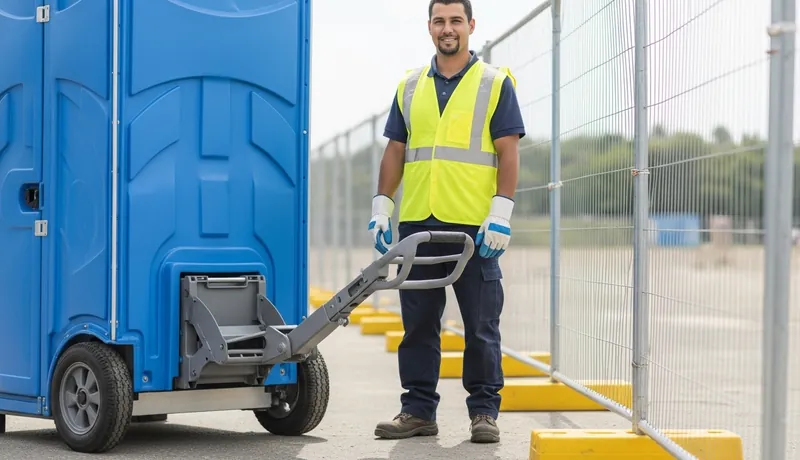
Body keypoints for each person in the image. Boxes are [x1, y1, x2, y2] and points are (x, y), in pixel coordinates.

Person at [368, 0, 526, 444]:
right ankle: (417, 411)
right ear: (430, 28)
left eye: (456, 20)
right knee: (418, 323)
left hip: (475, 228)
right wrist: (382, 204)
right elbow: (395, 149)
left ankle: (483, 413)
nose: (448, 28)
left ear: (470, 26)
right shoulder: (410, 86)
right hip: (418, 222)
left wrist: (501, 213)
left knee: (480, 324)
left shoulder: (495, 84)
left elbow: (508, 150)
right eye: (440, 21)